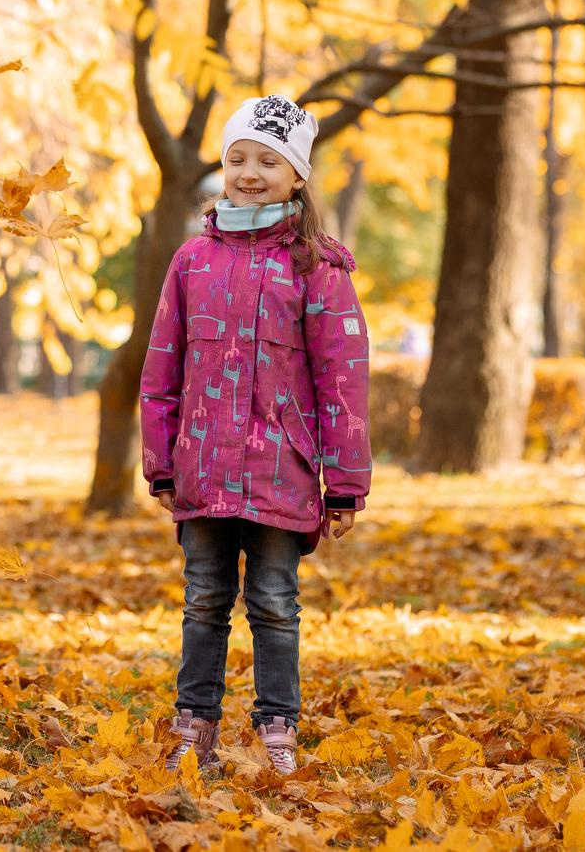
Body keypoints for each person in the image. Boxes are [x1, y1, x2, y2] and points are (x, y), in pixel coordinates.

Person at [140, 95, 371, 775]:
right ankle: (195, 725)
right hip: (203, 468)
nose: (249, 171)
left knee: (273, 602)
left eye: (267, 160)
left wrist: (345, 483)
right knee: (204, 599)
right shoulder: (191, 261)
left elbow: (344, 380)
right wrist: (161, 463)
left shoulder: (317, 266)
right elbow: (163, 368)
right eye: (238, 156)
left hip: (282, 471)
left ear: (296, 174)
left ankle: (278, 728)